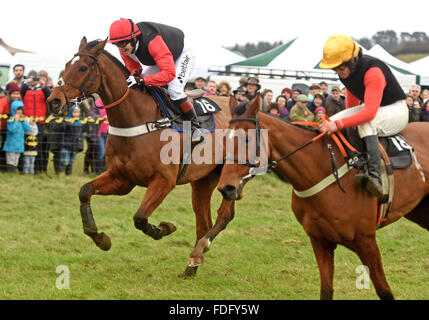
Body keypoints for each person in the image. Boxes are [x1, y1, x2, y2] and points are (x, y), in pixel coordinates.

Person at [318, 34, 408, 198]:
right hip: (374, 109)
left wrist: (339, 125)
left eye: (340, 67)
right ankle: (354, 161)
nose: (338, 72)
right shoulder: (346, 72)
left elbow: (369, 113)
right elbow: (352, 107)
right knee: (334, 120)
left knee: (365, 123)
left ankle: (375, 176)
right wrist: (339, 123)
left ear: (352, 60)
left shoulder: (372, 71)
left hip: (397, 110)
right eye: (334, 68)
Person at [107, 18, 202, 140]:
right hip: (163, 57)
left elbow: (168, 74)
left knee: (174, 89)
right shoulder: (125, 48)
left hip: (182, 54)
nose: (121, 49)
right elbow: (135, 69)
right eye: (116, 44)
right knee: (141, 83)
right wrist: (137, 79)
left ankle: (195, 127)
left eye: (122, 44)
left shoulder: (152, 41)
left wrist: (142, 81)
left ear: (133, 38)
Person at [21, 70, 51, 174]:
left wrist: (44, 86)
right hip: (27, 122)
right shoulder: (25, 89)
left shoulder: (42, 90)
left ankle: (38, 169)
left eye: (35, 79)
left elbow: (50, 97)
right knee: (26, 144)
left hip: (40, 122)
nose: (34, 81)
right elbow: (20, 93)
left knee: (38, 146)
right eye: (32, 78)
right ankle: (23, 169)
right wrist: (26, 83)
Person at [2, 100, 31, 173]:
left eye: (21, 110)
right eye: (18, 110)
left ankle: (13, 171)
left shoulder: (23, 119)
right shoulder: (11, 119)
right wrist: (16, 120)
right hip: (11, 144)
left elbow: (27, 129)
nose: (20, 112)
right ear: (14, 110)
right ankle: (10, 172)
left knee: (16, 159)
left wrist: (24, 121)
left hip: (19, 144)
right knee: (10, 159)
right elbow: (12, 130)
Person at [0, 82, 22, 171]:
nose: (16, 95)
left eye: (17, 93)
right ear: (9, 93)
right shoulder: (4, 100)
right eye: (14, 93)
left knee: (7, 148)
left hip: (10, 128)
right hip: (2, 128)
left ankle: (5, 167)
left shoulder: (16, 102)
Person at [62, 104, 84, 175]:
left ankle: (69, 172)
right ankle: (62, 171)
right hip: (66, 143)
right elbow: (62, 130)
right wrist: (67, 124)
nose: (76, 114)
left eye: (78, 112)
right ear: (71, 112)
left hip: (75, 144)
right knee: (65, 157)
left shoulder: (80, 122)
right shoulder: (67, 120)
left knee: (72, 159)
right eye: (74, 112)